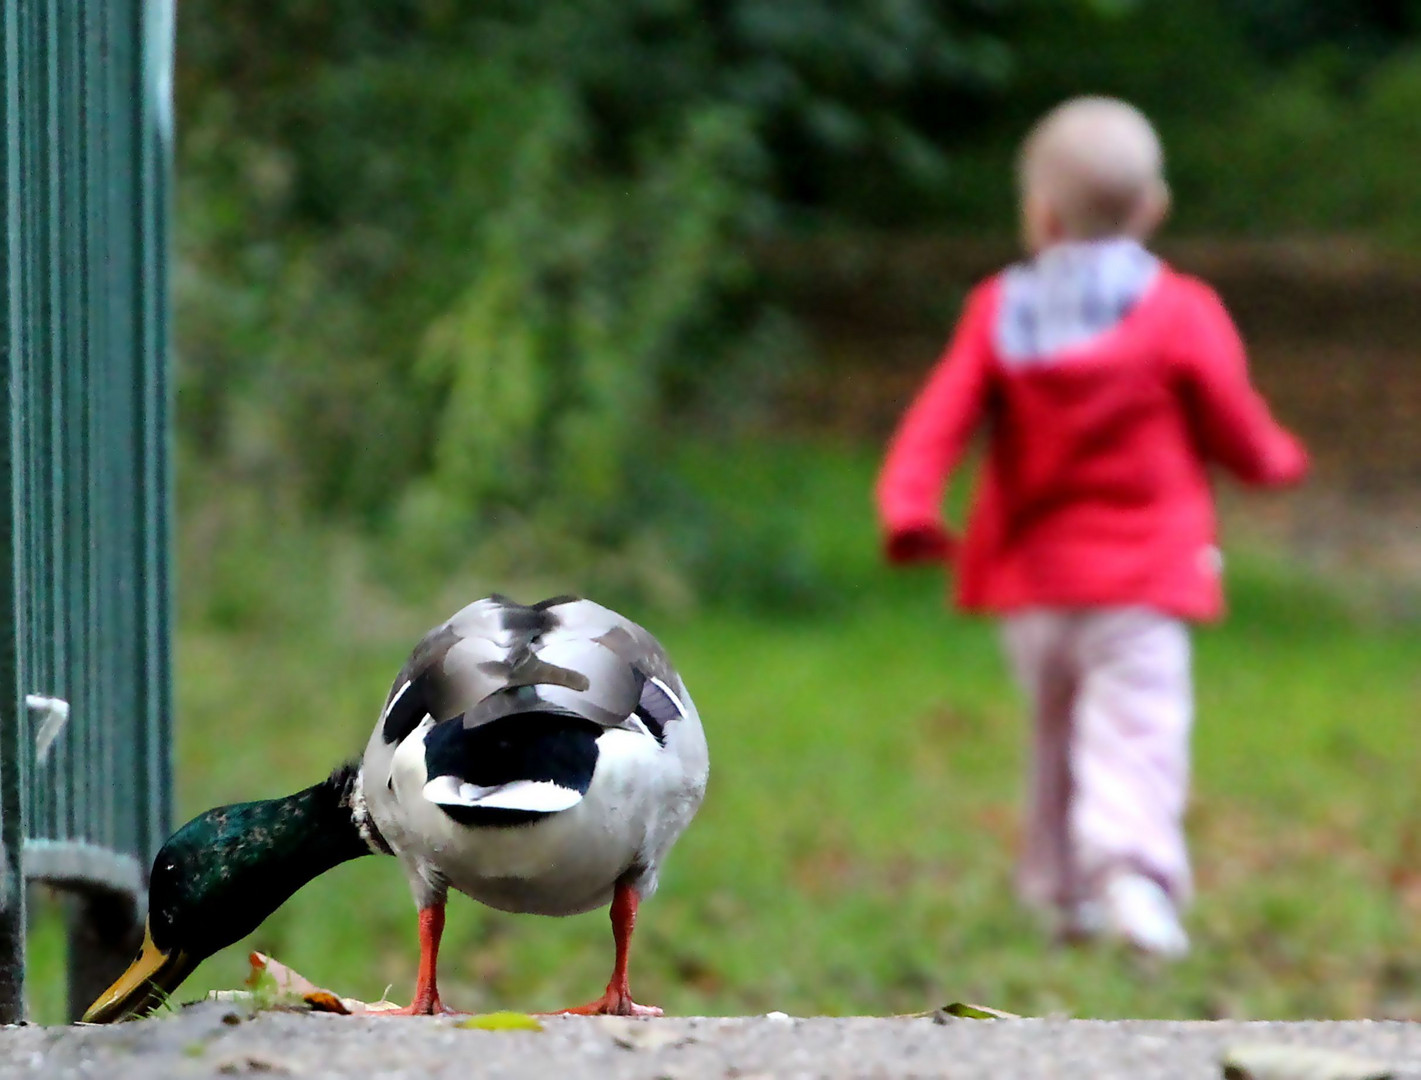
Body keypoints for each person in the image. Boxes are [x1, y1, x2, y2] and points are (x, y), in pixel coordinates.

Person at [874, 96, 1309, 958]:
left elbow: (938, 421)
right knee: (1135, 728)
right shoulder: (1181, 310)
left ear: (1037, 213)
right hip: (1142, 578)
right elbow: (1231, 422)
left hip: (1033, 585)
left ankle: (1062, 895)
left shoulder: (1000, 309)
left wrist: (910, 506)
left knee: (1056, 736)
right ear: (1152, 208)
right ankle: (1132, 880)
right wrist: (1271, 460)